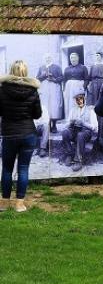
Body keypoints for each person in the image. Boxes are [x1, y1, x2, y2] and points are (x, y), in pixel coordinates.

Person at [0, 60, 43, 212]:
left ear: (11, 71)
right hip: (28, 134)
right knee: (23, 169)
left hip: (9, 134)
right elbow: (37, 115)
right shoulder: (33, 90)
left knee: (6, 169)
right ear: (25, 72)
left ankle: (4, 203)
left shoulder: (2, 89)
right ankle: (19, 204)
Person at [60, 93, 98, 172]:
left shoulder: (90, 110)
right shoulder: (72, 110)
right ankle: (69, 154)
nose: (79, 101)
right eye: (77, 99)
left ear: (84, 99)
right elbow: (66, 125)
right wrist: (70, 123)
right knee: (65, 132)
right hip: (74, 131)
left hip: (85, 133)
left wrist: (84, 123)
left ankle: (78, 160)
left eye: (81, 99)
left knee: (80, 135)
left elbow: (95, 128)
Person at [36, 53, 64, 132]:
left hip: (54, 88)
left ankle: (54, 125)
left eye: (49, 58)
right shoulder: (41, 67)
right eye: (46, 58)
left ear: (51, 58)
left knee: (54, 106)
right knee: (46, 106)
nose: (47, 59)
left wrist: (54, 79)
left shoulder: (57, 67)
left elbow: (62, 77)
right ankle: (47, 125)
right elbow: (37, 78)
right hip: (44, 88)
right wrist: (44, 75)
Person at [63, 52, 89, 118]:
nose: (73, 59)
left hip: (79, 87)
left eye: (74, 57)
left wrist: (83, 88)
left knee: (78, 102)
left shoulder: (83, 68)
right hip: (69, 88)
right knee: (70, 103)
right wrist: (64, 89)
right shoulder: (67, 69)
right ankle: (71, 118)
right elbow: (64, 80)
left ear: (78, 58)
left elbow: (86, 79)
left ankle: (79, 118)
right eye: (71, 58)